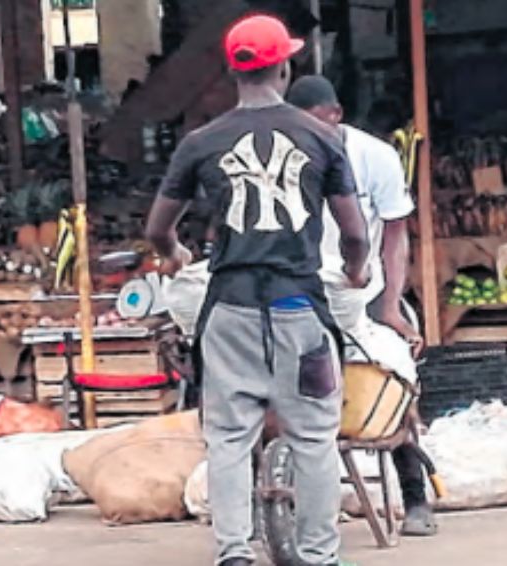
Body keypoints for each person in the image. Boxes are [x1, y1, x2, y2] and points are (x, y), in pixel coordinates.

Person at [145, 14, 370, 566]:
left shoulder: (201, 142)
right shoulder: (323, 136)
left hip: (231, 311)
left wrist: (173, 253)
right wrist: (356, 270)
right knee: (314, 437)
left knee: (228, 439)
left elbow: (157, 228)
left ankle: (234, 554)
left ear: (232, 70)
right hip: (300, 310)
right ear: (284, 65)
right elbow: (356, 233)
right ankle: (317, 555)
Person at [284, 76, 437, 537]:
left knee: (392, 384)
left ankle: (415, 496)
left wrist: (390, 305)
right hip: (303, 291)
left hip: (361, 291)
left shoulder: (375, 157)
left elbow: (394, 236)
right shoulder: (284, 158)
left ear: (336, 115)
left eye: (316, 124)